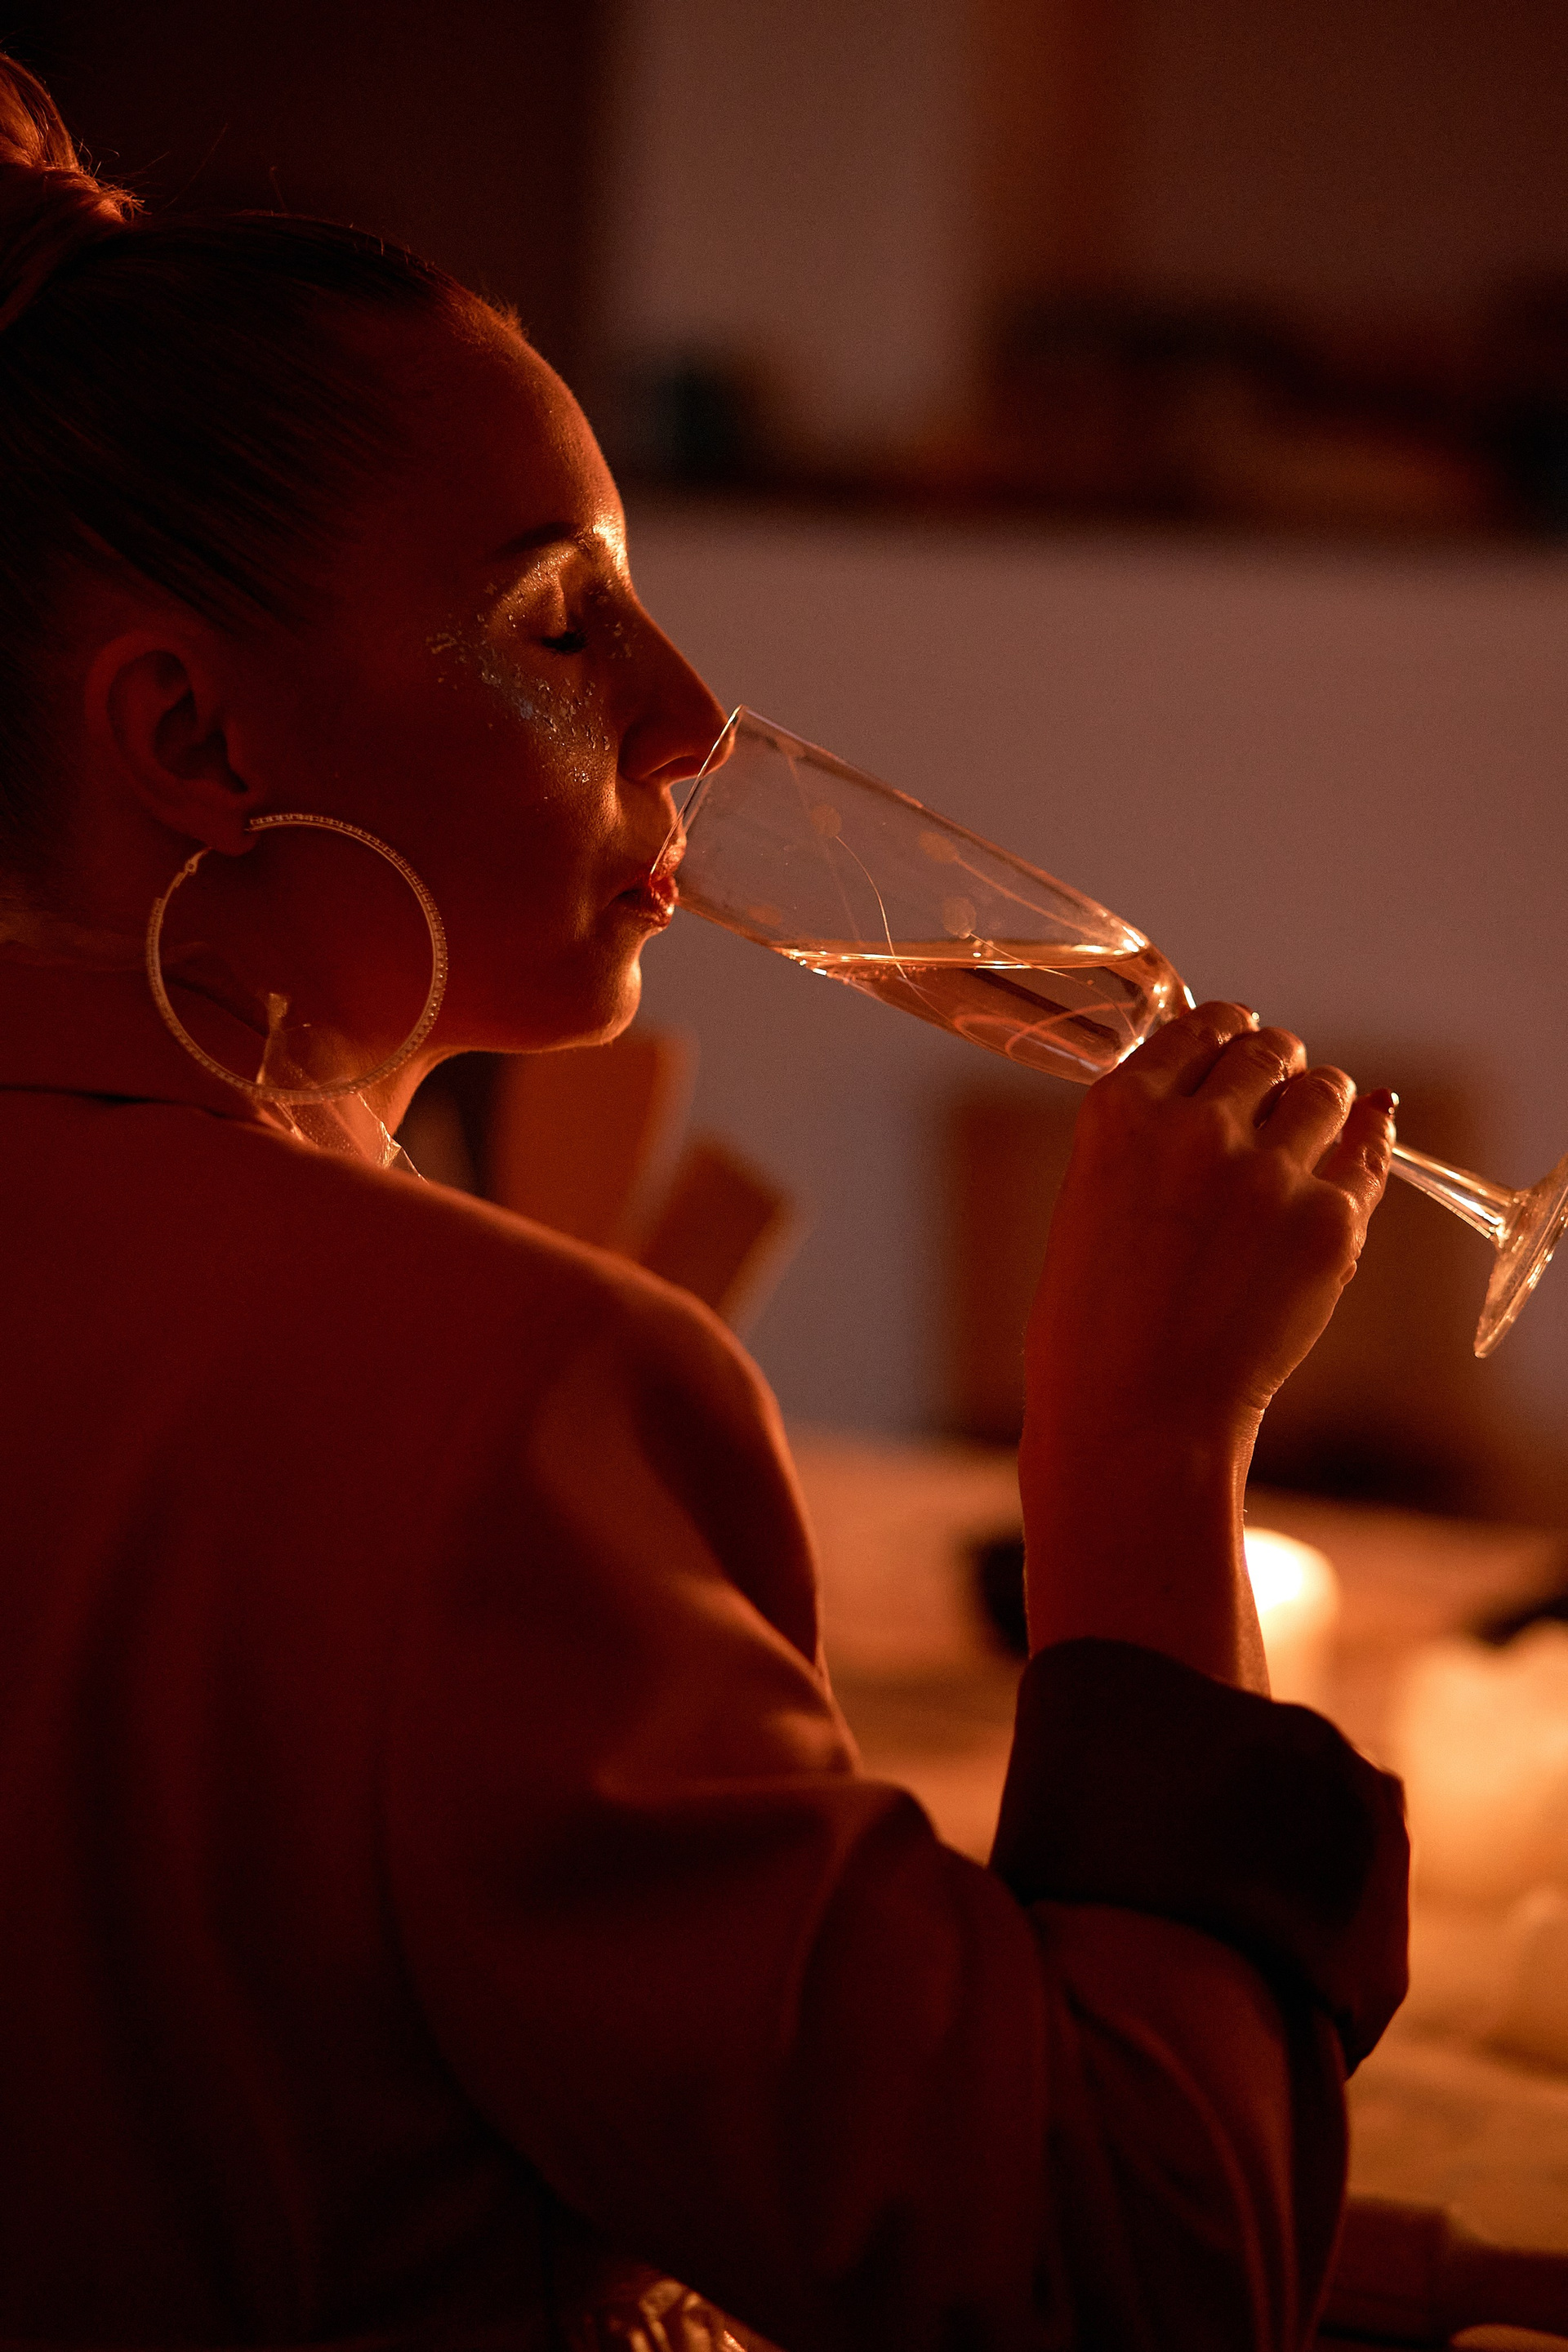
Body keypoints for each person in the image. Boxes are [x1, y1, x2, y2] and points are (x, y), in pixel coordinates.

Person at [0, 51, 1406, 2352]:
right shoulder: (506, 1393)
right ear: (194, 741)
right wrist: (1144, 1452)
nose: (693, 718)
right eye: (562, 623)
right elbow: (1117, 2277)